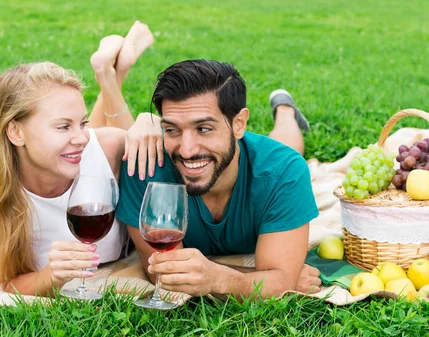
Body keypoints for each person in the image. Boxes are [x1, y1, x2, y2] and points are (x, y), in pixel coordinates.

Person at [0, 21, 162, 296]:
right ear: (16, 132)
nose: (82, 136)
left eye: (83, 122)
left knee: (103, 142)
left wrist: (150, 122)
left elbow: (155, 160)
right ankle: (110, 73)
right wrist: (50, 277)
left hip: (106, 146)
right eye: (62, 126)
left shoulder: (107, 147)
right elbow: (10, 282)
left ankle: (109, 75)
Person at [116, 59, 322, 299]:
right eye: (172, 129)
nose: (187, 150)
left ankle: (285, 111)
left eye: (203, 128)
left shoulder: (284, 171)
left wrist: (220, 278)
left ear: (239, 124)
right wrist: (257, 278)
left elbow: (280, 281)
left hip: (270, 158)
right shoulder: (144, 167)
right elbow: (162, 273)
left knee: (288, 151)